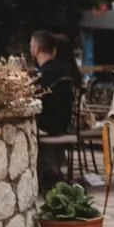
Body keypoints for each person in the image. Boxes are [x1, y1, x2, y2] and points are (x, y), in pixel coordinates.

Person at [30, 31, 79, 188]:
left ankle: (39, 173)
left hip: (46, 127)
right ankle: (52, 171)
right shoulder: (65, 72)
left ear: (36, 48)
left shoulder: (43, 76)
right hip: (65, 125)